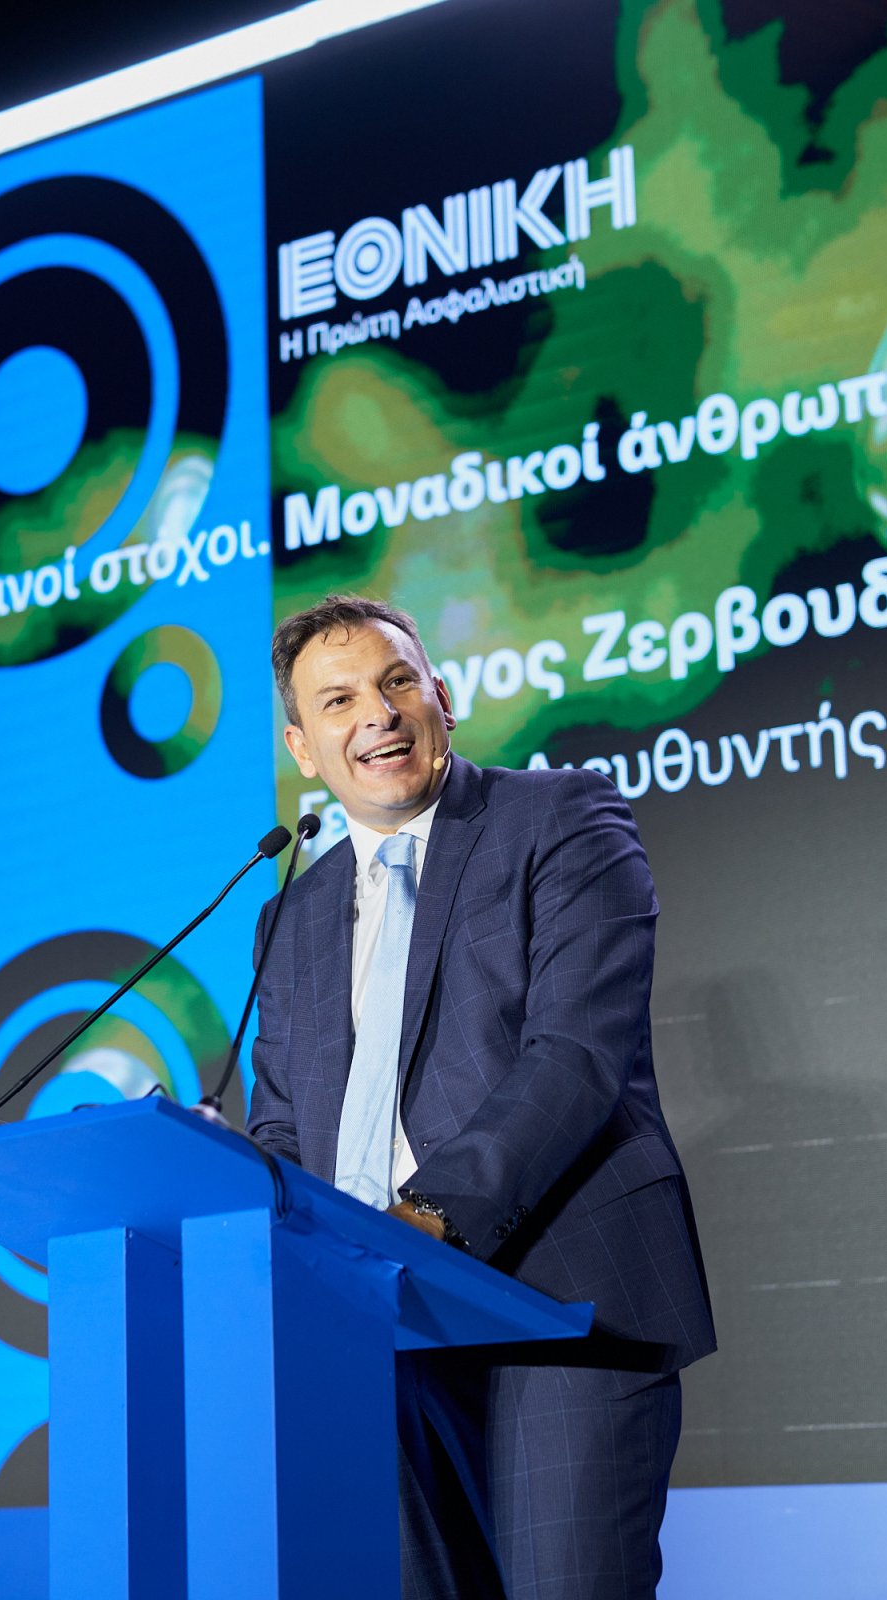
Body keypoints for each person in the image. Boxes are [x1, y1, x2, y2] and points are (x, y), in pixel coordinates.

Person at [248, 594, 715, 1599]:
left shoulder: (560, 818)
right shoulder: (291, 917)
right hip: (370, 1330)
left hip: (560, 1307)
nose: (377, 713)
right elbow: (283, 1121)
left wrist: (423, 1220)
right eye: (338, 700)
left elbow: (576, 1057)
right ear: (303, 748)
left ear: (442, 698)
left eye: (396, 681)